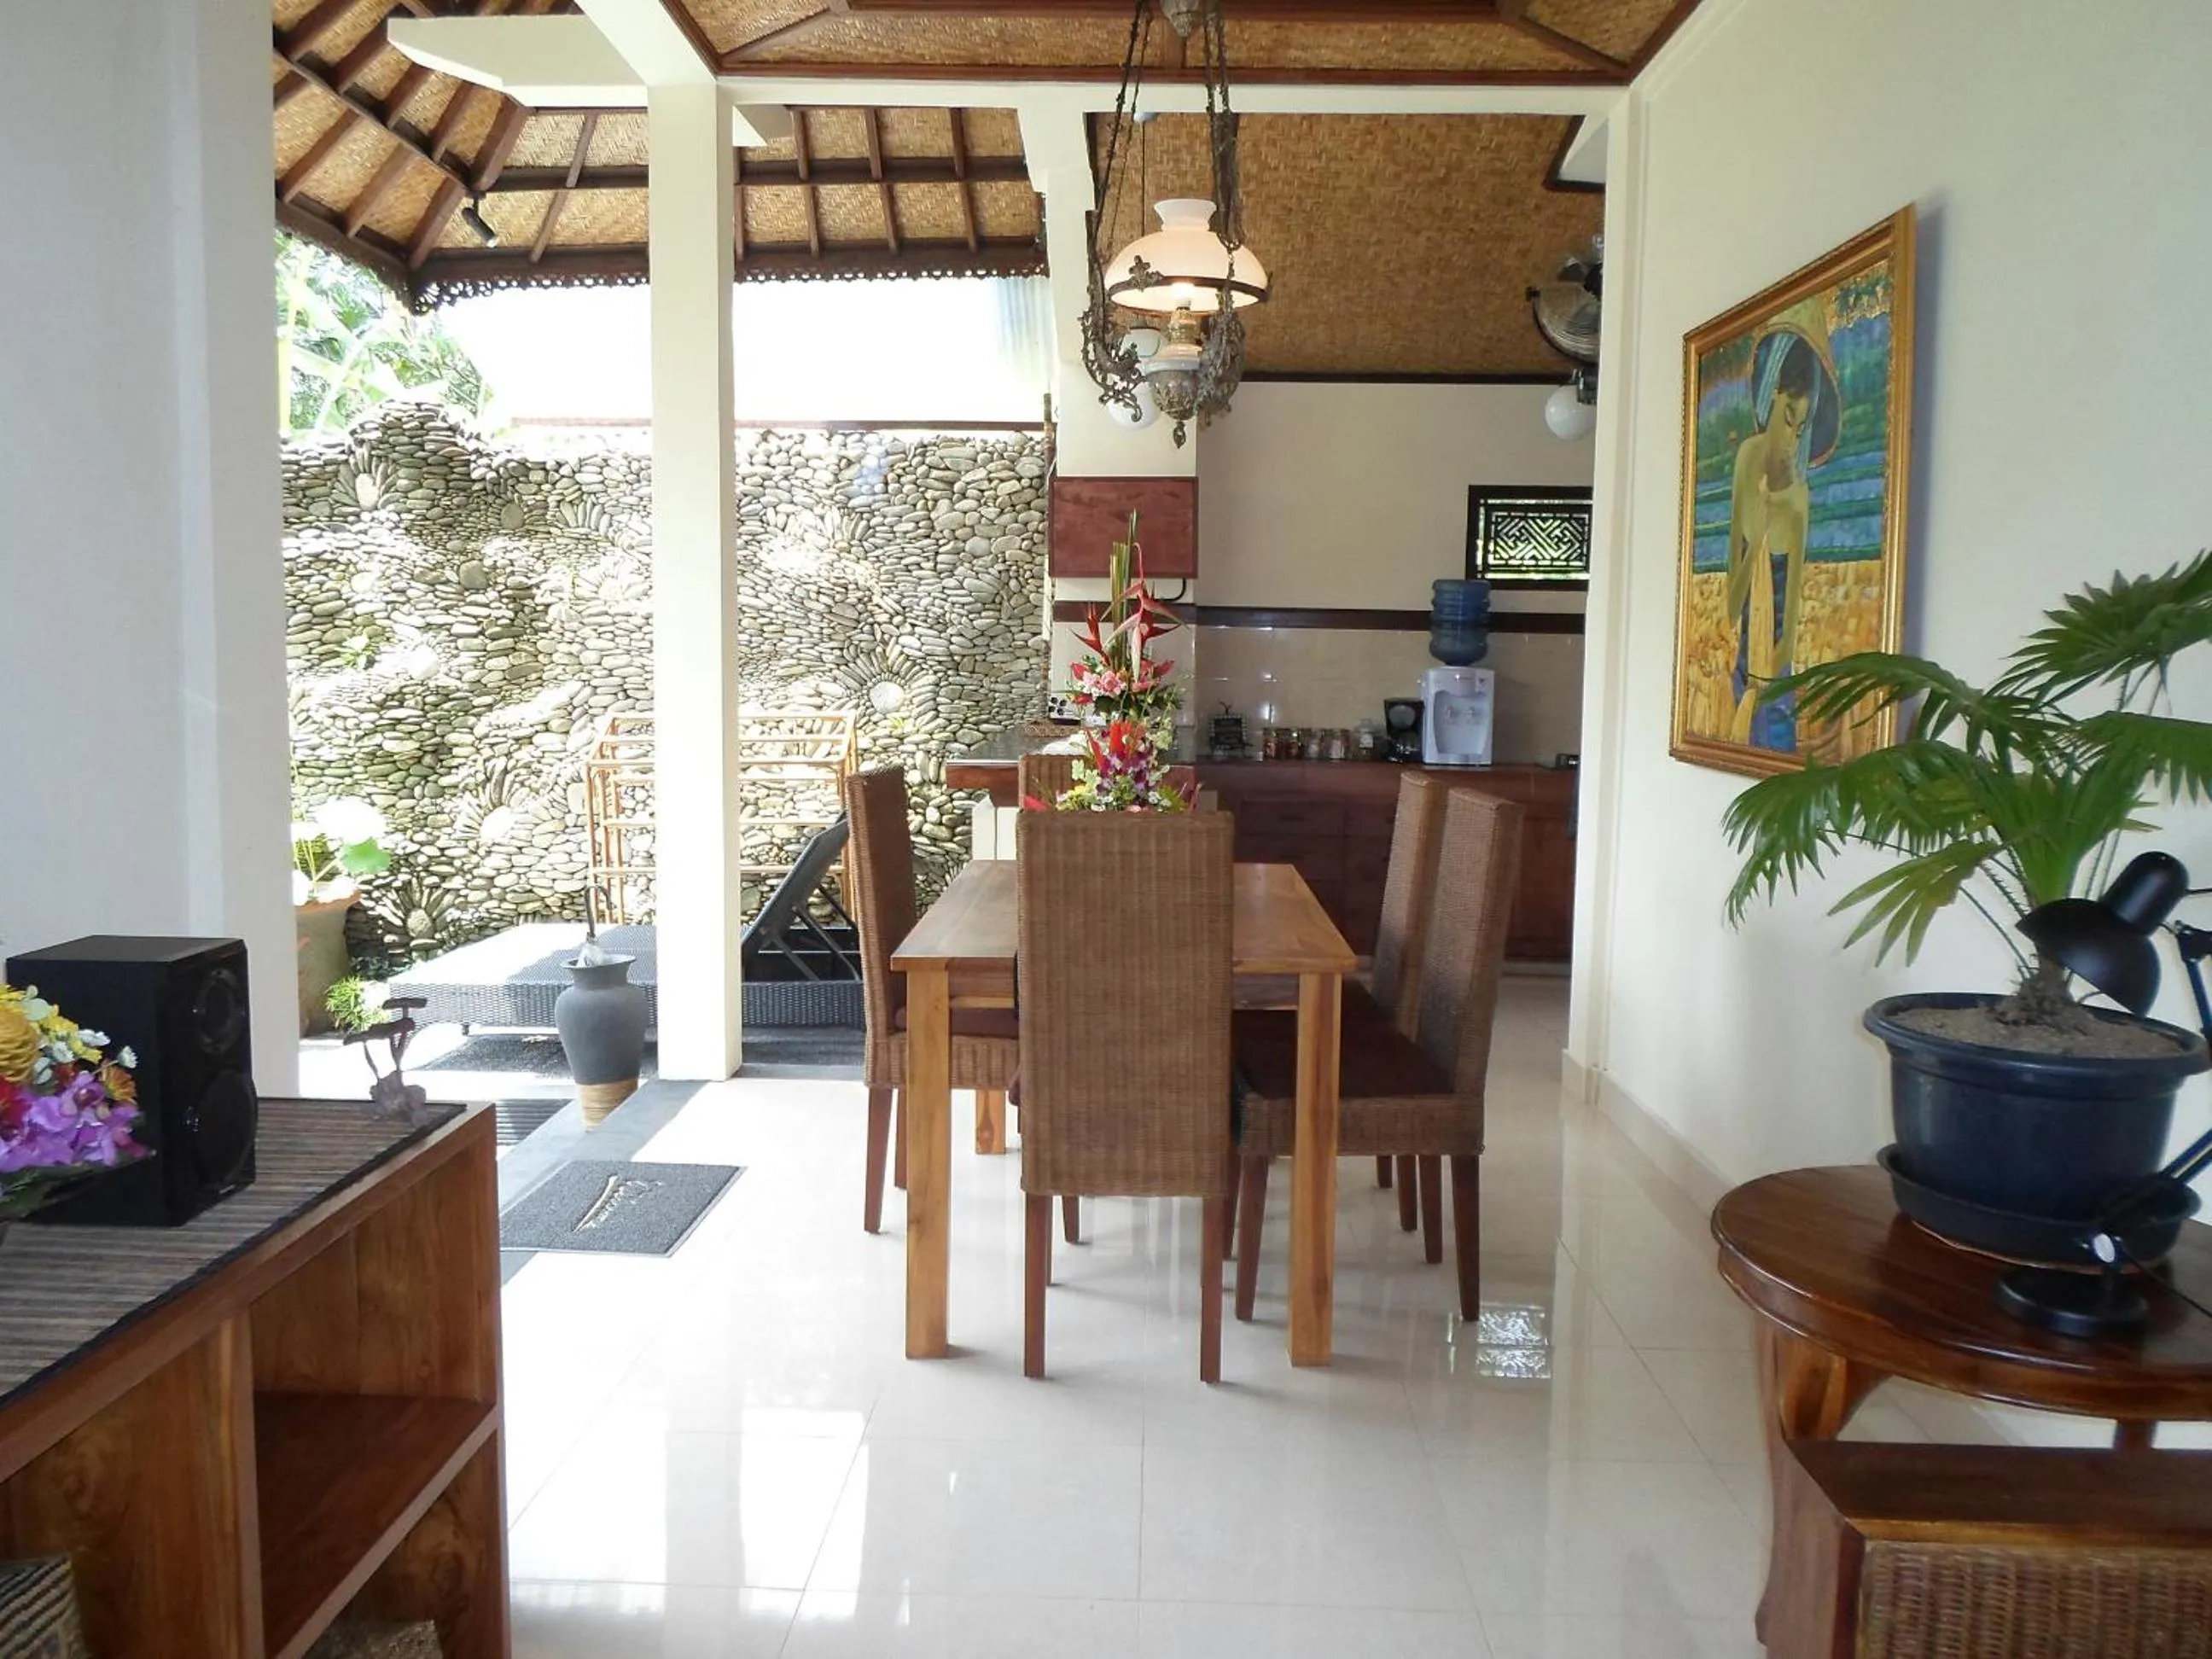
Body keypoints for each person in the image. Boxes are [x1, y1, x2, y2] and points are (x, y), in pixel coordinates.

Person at [1725, 301, 1839, 753]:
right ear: (1772, 398)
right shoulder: (1747, 459)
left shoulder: (1800, 499)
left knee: (1773, 749)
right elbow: (1733, 606)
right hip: (1743, 668)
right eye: (1789, 420)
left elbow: (1788, 625)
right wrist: (1759, 543)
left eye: (1803, 426)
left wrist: (1769, 687)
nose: (1793, 440)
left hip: (1776, 680)